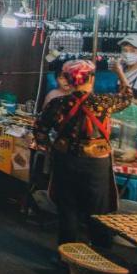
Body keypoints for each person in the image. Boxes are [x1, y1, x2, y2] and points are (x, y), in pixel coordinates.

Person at [34, 57, 131, 248]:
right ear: (92, 79)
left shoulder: (57, 103)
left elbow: (40, 130)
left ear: (68, 80)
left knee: (67, 210)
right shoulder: (104, 102)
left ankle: (67, 256)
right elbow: (127, 96)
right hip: (96, 165)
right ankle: (101, 257)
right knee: (98, 212)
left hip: (65, 161)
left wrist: (49, 147)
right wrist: (120, 72)